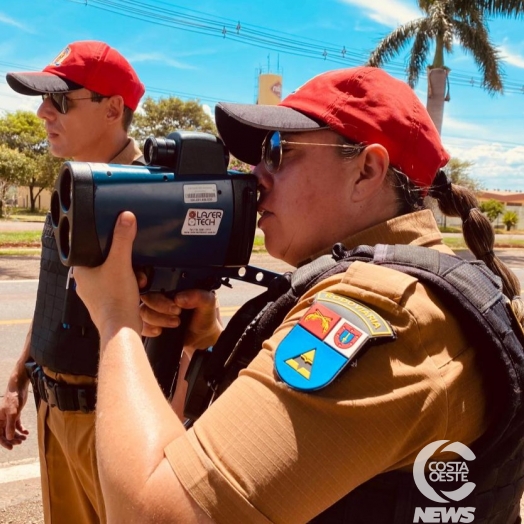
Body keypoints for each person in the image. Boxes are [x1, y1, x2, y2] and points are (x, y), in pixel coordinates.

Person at [73, 66, 524, 523]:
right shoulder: (418, 286)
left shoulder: (384, 309)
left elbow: (154, 515)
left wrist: (115, 318)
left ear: (366, 171)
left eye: (277, 152)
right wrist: (210, 341)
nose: (255, 175)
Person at [0, 40, 145, 524]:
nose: (43, 112)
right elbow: (50, 294)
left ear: (112, 109)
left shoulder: (156, 200)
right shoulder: (72, 186)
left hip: (110, 428)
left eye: (60, 99)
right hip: (51, 408)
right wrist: (20, 376)